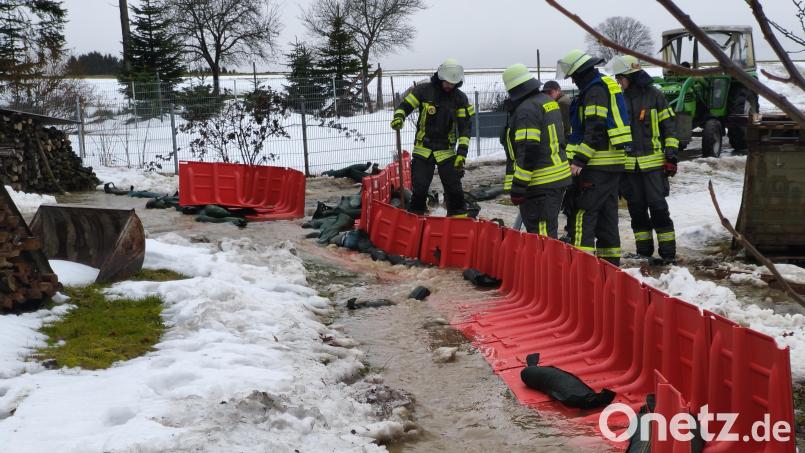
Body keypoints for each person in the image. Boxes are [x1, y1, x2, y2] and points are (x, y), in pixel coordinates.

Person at [556, 49, 632, 266]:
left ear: (580, 72)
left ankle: (582, 268)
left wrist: (580, 160)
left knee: (582, 213)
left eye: (573, 75)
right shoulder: (601, 84)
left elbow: (595, 128)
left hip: (598, 163)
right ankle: (610, 267)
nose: (572, 80)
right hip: (611, 163)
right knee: (607, 217)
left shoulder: (595, 90)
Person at [606, 55, 679, 263]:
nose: (619, 83)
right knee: (636, 211)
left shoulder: (655, 96)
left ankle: (668, 255)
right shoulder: (619, 99)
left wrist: (671, 156)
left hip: (654, 166)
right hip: (629, 169)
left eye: (621, 79)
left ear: (631, 76)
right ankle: (643, 252)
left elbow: (670, 129)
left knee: (658, 209)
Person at [390, 58, 474, 217]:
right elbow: (404, 106)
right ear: (441, 77)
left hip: (446, 150)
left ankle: (458, 220)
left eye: (453, 83)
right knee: (420, 188)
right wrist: (399, 117)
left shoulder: (460, 98)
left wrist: (462, 153)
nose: (450, 86)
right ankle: (416, 218)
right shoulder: (423, 91)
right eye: (447, 82)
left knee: (454, 188)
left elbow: (465, 128)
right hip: (423, 148)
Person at [500, 64, 571, 237]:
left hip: (540, 183)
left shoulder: (526, 110)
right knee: (547, 231)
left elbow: (529, 150)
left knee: (542, 236)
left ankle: (548, 265)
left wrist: (518, 186)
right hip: (556, 179)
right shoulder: (547, 102)